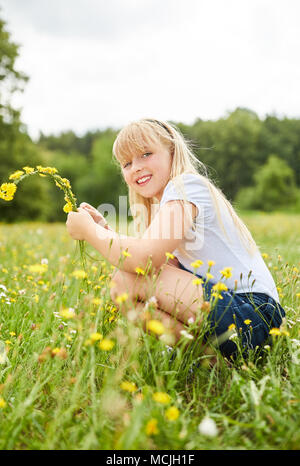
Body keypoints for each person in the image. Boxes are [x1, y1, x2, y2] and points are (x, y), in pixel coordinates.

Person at [66, 118, 285, 359]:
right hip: (242, 318)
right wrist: (105, 231)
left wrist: (91, 232)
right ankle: (211, 362)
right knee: (125, 283)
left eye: (146, 154)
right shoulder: (168, 205)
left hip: (255, 314)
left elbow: (143, 260)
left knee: (125, 281)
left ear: (172, 152)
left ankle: (208, 359)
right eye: (127, 163)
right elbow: (157, 270)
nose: (136, 167)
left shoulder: (186, 186)